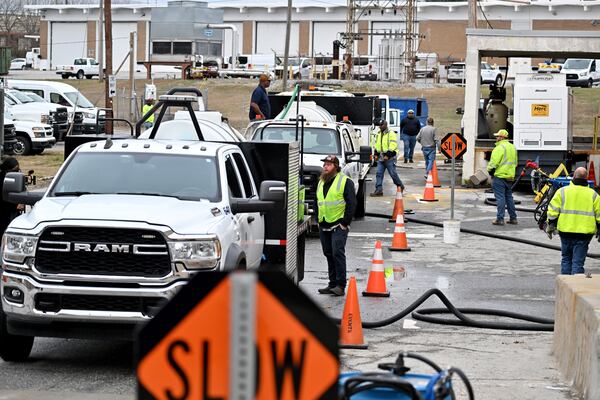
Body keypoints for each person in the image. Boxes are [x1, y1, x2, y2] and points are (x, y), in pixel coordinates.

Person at [546, 167, 600, 275]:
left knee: (566, 259)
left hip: (565, 232)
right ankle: (576, 287)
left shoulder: (562, 192)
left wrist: (551, 225)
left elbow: (552, 211)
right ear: (586, 178)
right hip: (583, 234)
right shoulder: (594, 195)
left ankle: (566, 286)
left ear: (573, 177)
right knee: (578, 263)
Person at [316, 155, 356, 297]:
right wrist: (317, 219)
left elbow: (352, 204)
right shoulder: (321, 182)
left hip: (338, 225)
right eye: (324, 164)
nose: (325, 167)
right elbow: (319, 201)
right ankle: (332, 284)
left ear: (336, 167)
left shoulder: (345, 181)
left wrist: (345, 223)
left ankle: (340, 285)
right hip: (324, 224)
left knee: (337, 253)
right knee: (328, 253)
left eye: (329, 164)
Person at [487, 129, 518, 226]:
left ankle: (500, 219)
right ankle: (513, 218)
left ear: (502, 137)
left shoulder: (499, 148)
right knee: (509, 197)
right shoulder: (512, 147)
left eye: (497, 136)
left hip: (499, 176)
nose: (496, 138)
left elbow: (493, 163)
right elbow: (516, 163)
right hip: (509, 177)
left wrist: (490, 170)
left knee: (500, 198)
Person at [370, 120, 404, 197]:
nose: (380, 126)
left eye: (381, 125)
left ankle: (400, 186)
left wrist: (388, 155)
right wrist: (376, 154)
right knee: (379, 173)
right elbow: (377, 145)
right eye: (379, 125)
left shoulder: (391, 133)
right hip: (381, 158)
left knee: (393, 174)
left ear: (386, 125)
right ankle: (379, 190)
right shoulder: (379, 133)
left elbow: (393, 145)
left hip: (390, 158)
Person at [0, 157, 21, 235]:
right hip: (5, 215)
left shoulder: (10, 178)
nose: (17, 172)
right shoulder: (4, 180)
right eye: (15, 170)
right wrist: (15, 206)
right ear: (7, 170)